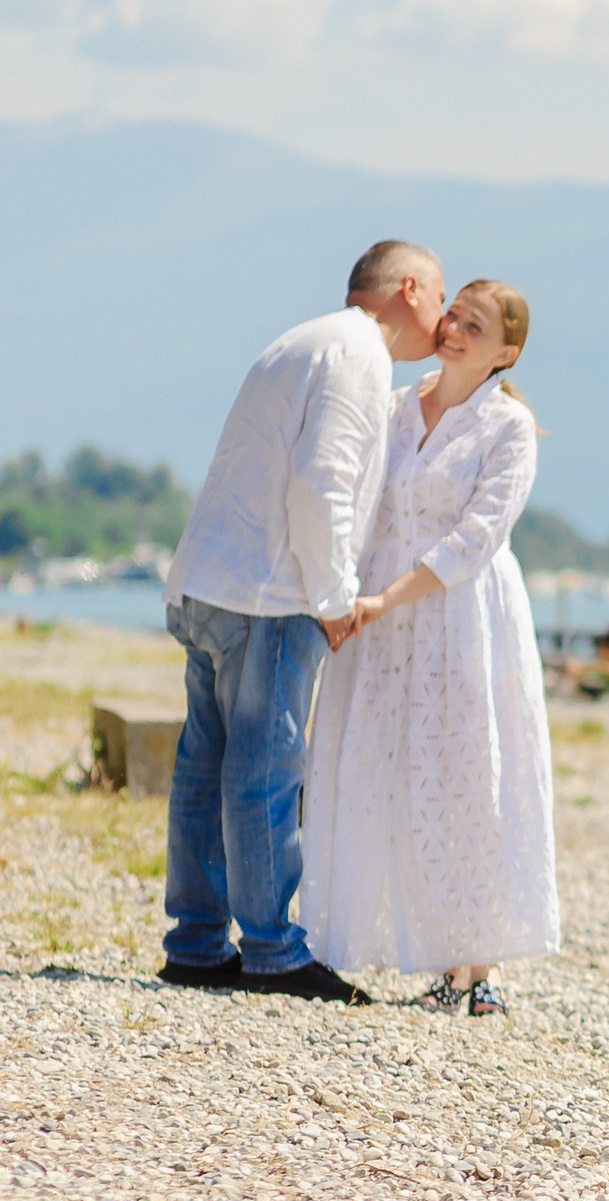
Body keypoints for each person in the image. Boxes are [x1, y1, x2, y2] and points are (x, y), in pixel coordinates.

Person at [158, 240, 445, 1003]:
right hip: (270, 591)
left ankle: (194, 941)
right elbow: (324, 484)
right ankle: (274, 953)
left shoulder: (303, 339)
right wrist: (334, 596)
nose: (444, 318)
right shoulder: (358, 355)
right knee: (266, 770)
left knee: (205, 767)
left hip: (211, 576)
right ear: (409, 289)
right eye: (441, 299)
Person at [302, 280, 559, 1016]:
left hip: (461, 617)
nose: (453, 332)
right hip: (378, 615)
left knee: (465, 774)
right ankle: (372, 946)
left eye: (475, 328)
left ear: (505, 352)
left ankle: (475, 969)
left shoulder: (506, 429)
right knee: (377, 765)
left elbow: (478, 538)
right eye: (454, 316)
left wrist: (386, 597)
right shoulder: (392, 405)